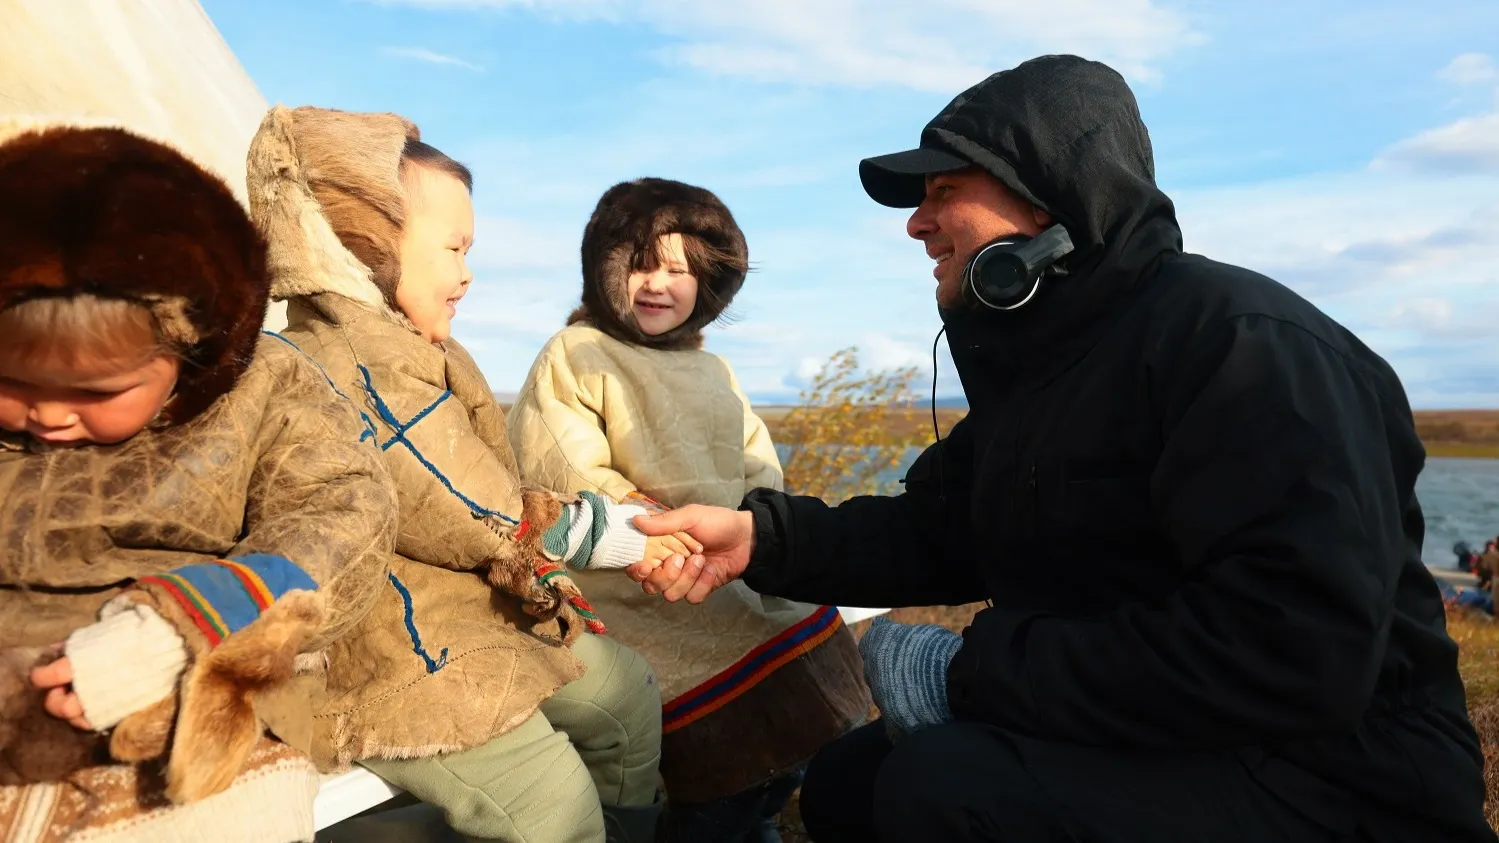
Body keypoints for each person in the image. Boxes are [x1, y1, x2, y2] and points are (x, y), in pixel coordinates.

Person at [625, 55, 1494, 842]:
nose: (916, 225)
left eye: (940, 190)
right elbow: (939, 531)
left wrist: (971, 675)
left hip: (1346, 776)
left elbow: (1290, 651)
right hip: (1189, 736)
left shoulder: (1241, 348)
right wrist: (759, 539)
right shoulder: (1048, 366)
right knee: (853, 784)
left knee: (941, 787)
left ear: (1045, 198)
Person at [247, 105, 691, 843]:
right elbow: (464, 504)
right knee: (551, 802)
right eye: (453, 247)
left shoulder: (410, 347)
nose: (467, 270)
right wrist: (620, 536)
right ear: (366, 243)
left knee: (625, 698)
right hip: (398, 660)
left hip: (465, 621)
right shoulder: (344, 360)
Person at [0, 118, 396, 842]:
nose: (50, 414)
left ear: (189, 352)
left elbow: (341, 512)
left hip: (184, 692)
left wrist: (182, 632)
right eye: (12, 382)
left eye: (96, 391)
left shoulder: (261, 390)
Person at [507, 178, 871, 842]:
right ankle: (713, 817)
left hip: (726, 556)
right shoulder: (577, 352)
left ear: (707, 283)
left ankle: (761, 808)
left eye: (677, 270)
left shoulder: (715, 371)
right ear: (606, 269)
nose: (657, 283)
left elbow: (756, 461)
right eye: (641, 263)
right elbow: (562, 459)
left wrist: (761, 527)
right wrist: (648, 530)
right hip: (638, 564)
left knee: (795, 630)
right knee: (703, 759)